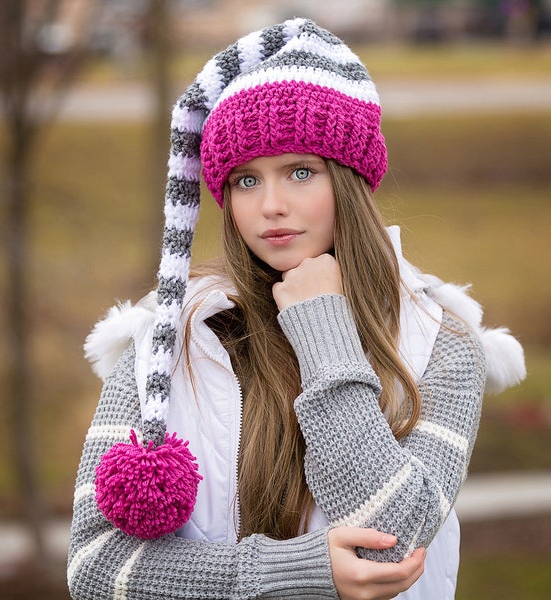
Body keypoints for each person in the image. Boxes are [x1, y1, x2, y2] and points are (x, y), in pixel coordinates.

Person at [67, 18, 526, 600]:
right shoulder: (171, 336)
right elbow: (95, 567)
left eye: (300, 172)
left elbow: (387, 537)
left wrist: (323, 330)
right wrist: (295, 573)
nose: (271, 206)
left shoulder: (441, 341)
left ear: (349, 181)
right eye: (245, 181)